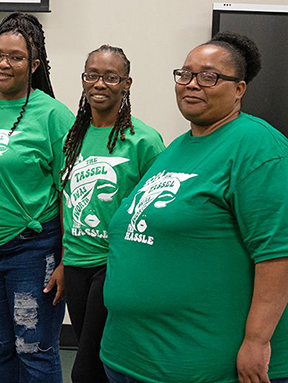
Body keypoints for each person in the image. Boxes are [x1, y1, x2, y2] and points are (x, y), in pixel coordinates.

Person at [101, 32, 288, 383]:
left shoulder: (259, 147)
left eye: (209, 76)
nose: (191, 84)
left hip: (202, 366)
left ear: (239, 89)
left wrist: (256, 340)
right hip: (130, 358)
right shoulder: (176, 149)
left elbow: (278, 254)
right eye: (184, 74)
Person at [0, 12, 73, 383]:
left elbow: (71, 192)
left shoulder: (53, 115)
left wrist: (66, 260)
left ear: (34, 64)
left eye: (16, 57)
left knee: (35, 350)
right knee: (3, 345)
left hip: (33, 251)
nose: (3, 64)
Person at [57, 45, 164, 383]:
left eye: (110, 77)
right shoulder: (72, 137)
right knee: (98, 361)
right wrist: (62, 261)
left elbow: (160, 206)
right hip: (76, 263)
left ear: (126, 83)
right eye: (92, 75)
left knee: (87, 368)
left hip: (115, 264)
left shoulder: (144, 141)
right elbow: (66, 199)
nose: (99, 84)